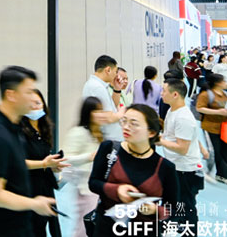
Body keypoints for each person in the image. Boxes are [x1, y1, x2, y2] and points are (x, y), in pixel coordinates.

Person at [0, 66, 56, 237]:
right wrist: (34, 204)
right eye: (28, 92)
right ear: (11, 95)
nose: (33, 98)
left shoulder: (15, 127)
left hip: (20, 224)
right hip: (0, 230)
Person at [88, 104, 179, 236]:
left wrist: (155, 210)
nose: (126, 127)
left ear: (151, 132)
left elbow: (172, 209)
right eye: (124, 121)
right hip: (106, 229)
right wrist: (117, 190)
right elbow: (93, 183)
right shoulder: (109, 149)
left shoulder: (166, 167)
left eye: (134, 124)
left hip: (144, 230)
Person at [158, 79, 204, 228]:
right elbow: (172, 137)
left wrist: (160, 142)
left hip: (186, 170)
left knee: (186, 206)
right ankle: (178, 225)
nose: (161, 93)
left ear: (175, 94)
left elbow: (182, 148)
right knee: (175, 203)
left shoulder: (183, 117)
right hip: (176, 167)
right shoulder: (172, 110)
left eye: (164, 90)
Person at [20, 89, 66, 237]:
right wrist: (44, 164)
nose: (35, 107)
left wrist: (54, 166)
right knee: (34, 226)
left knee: (50, 222)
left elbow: (45, 156)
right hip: (28, 186)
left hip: (45, 184)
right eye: (30, 103)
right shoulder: (19, 130)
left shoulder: (45, 127)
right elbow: (18, 162)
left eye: (38, 103)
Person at [63, 97, 103, 237]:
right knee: (83, 227)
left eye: (101, 111)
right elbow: (66, 158)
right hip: (84, 188)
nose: (100, 114)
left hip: (96, 187)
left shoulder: (97, 132)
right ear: (88, 113)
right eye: (96, 111)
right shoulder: (78, 132)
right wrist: (89, 157)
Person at [81, 55, 123, 141]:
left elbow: (112, 108)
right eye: (115, 72)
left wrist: (117, 89)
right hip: (110, 139)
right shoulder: (97, 87)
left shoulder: (97, 85)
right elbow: (109, 117)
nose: (116, 75)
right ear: (108, 70)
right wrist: (122, 112)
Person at [195, 73, 227, 183]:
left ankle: (222, 174)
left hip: (222, 128)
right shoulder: (206, 95)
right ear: (217, 83)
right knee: (215, 150)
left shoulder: (223, 94)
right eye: (223, 81)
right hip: (210, 127)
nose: (225, 83)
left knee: (224, 150)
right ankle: (214, 173)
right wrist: (218, 112)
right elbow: (199, 108)